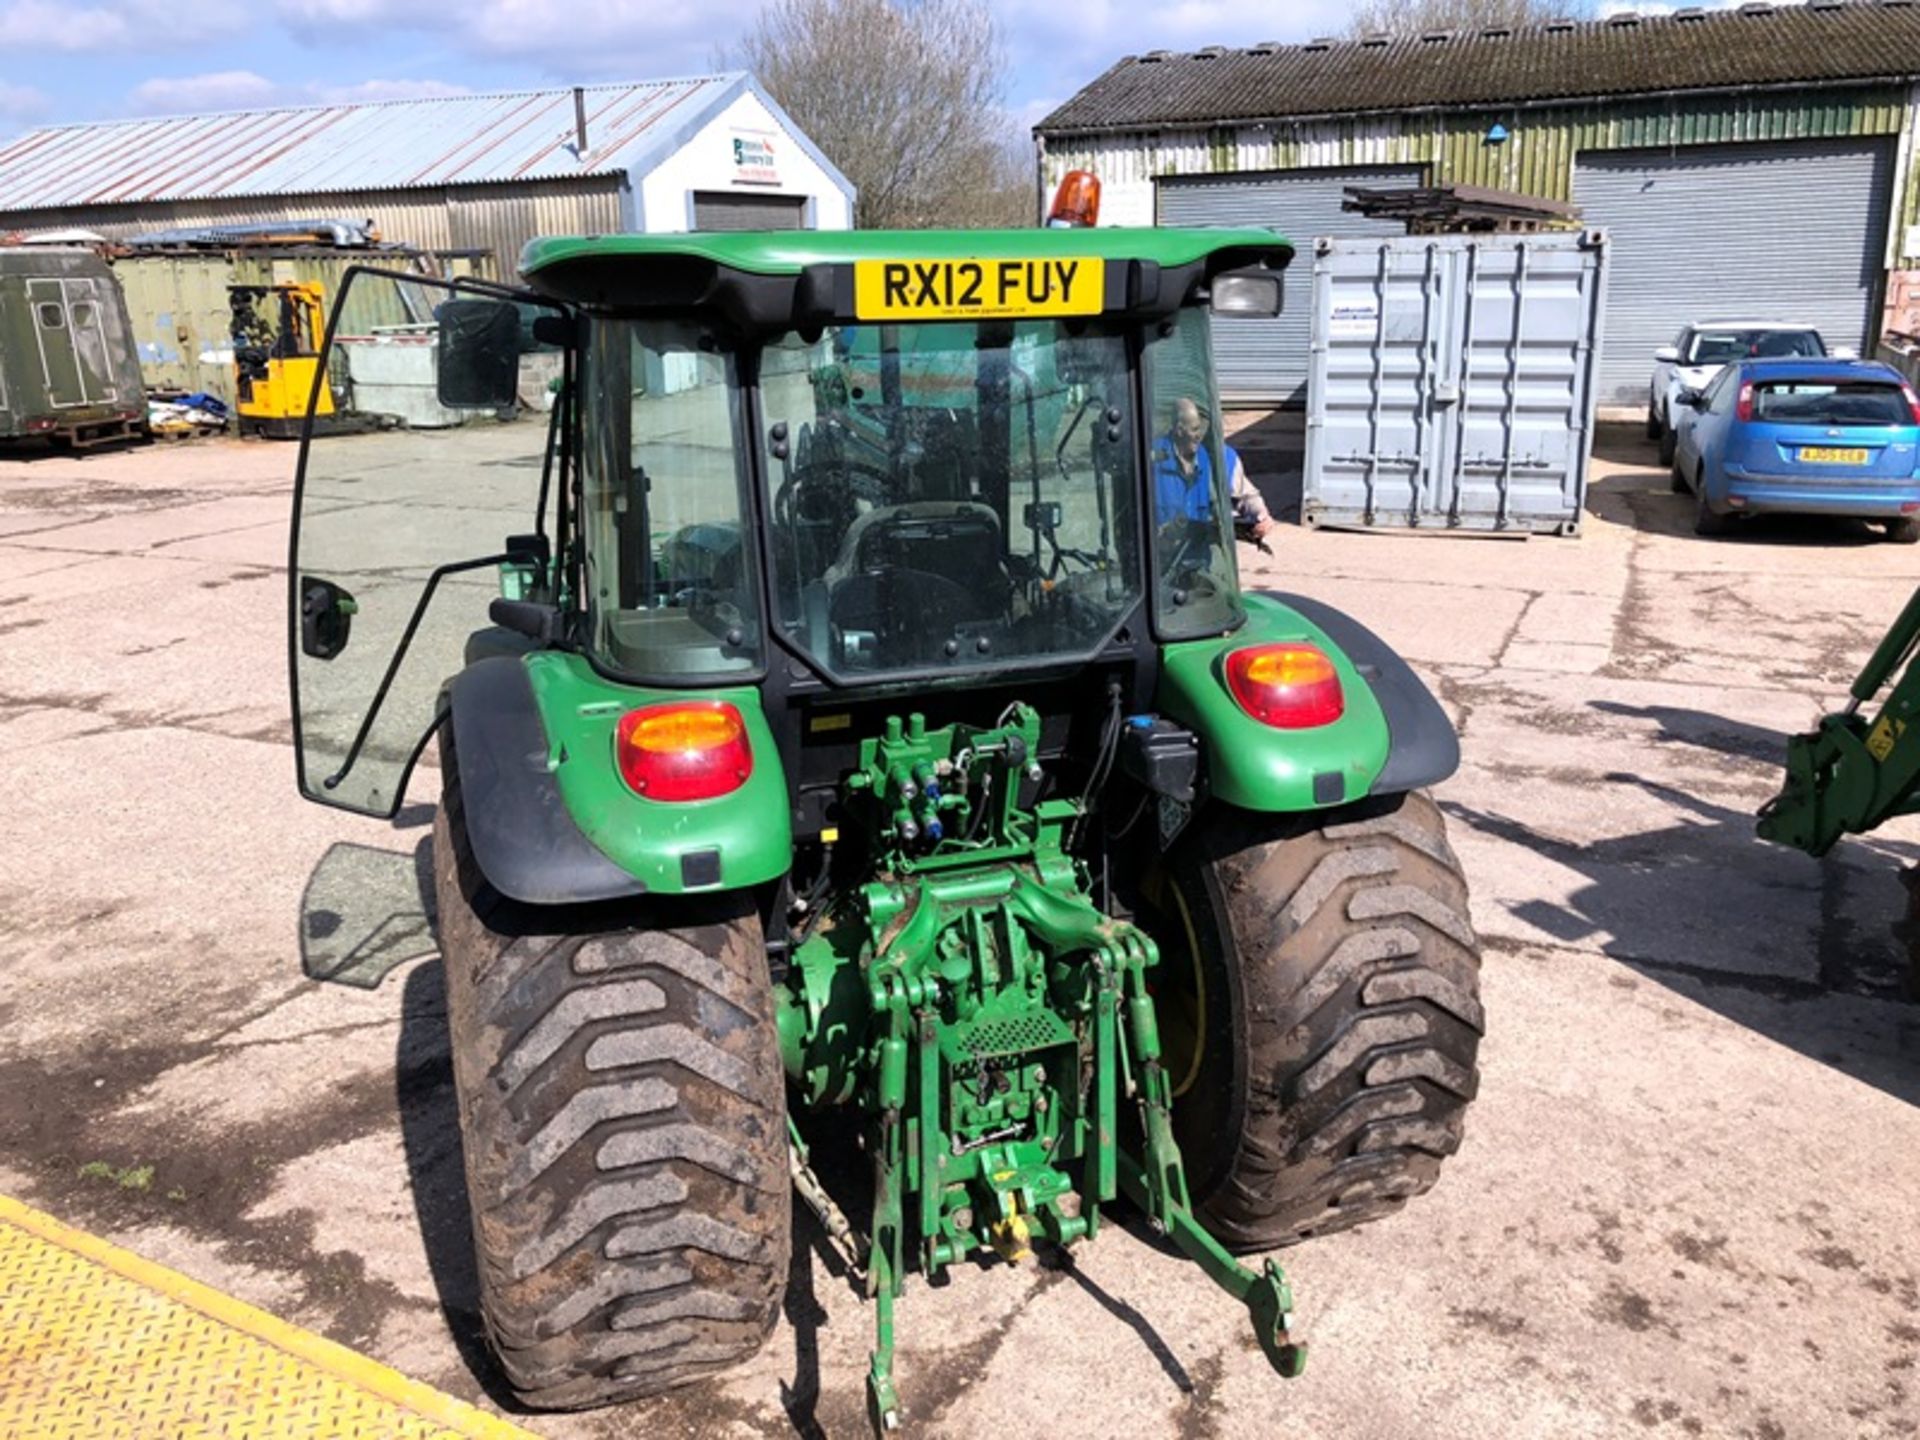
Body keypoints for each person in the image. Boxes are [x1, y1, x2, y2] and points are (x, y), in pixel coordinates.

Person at [1150, 397, 1275, 540]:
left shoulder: (1223, 459)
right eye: (1194, 429)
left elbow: (1247, 496)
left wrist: (1262, 516)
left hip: (1205, 552)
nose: (1200, 436)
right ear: (1179, 430)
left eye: (1204, 428)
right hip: (1162, 554)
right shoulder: (1152, 459)